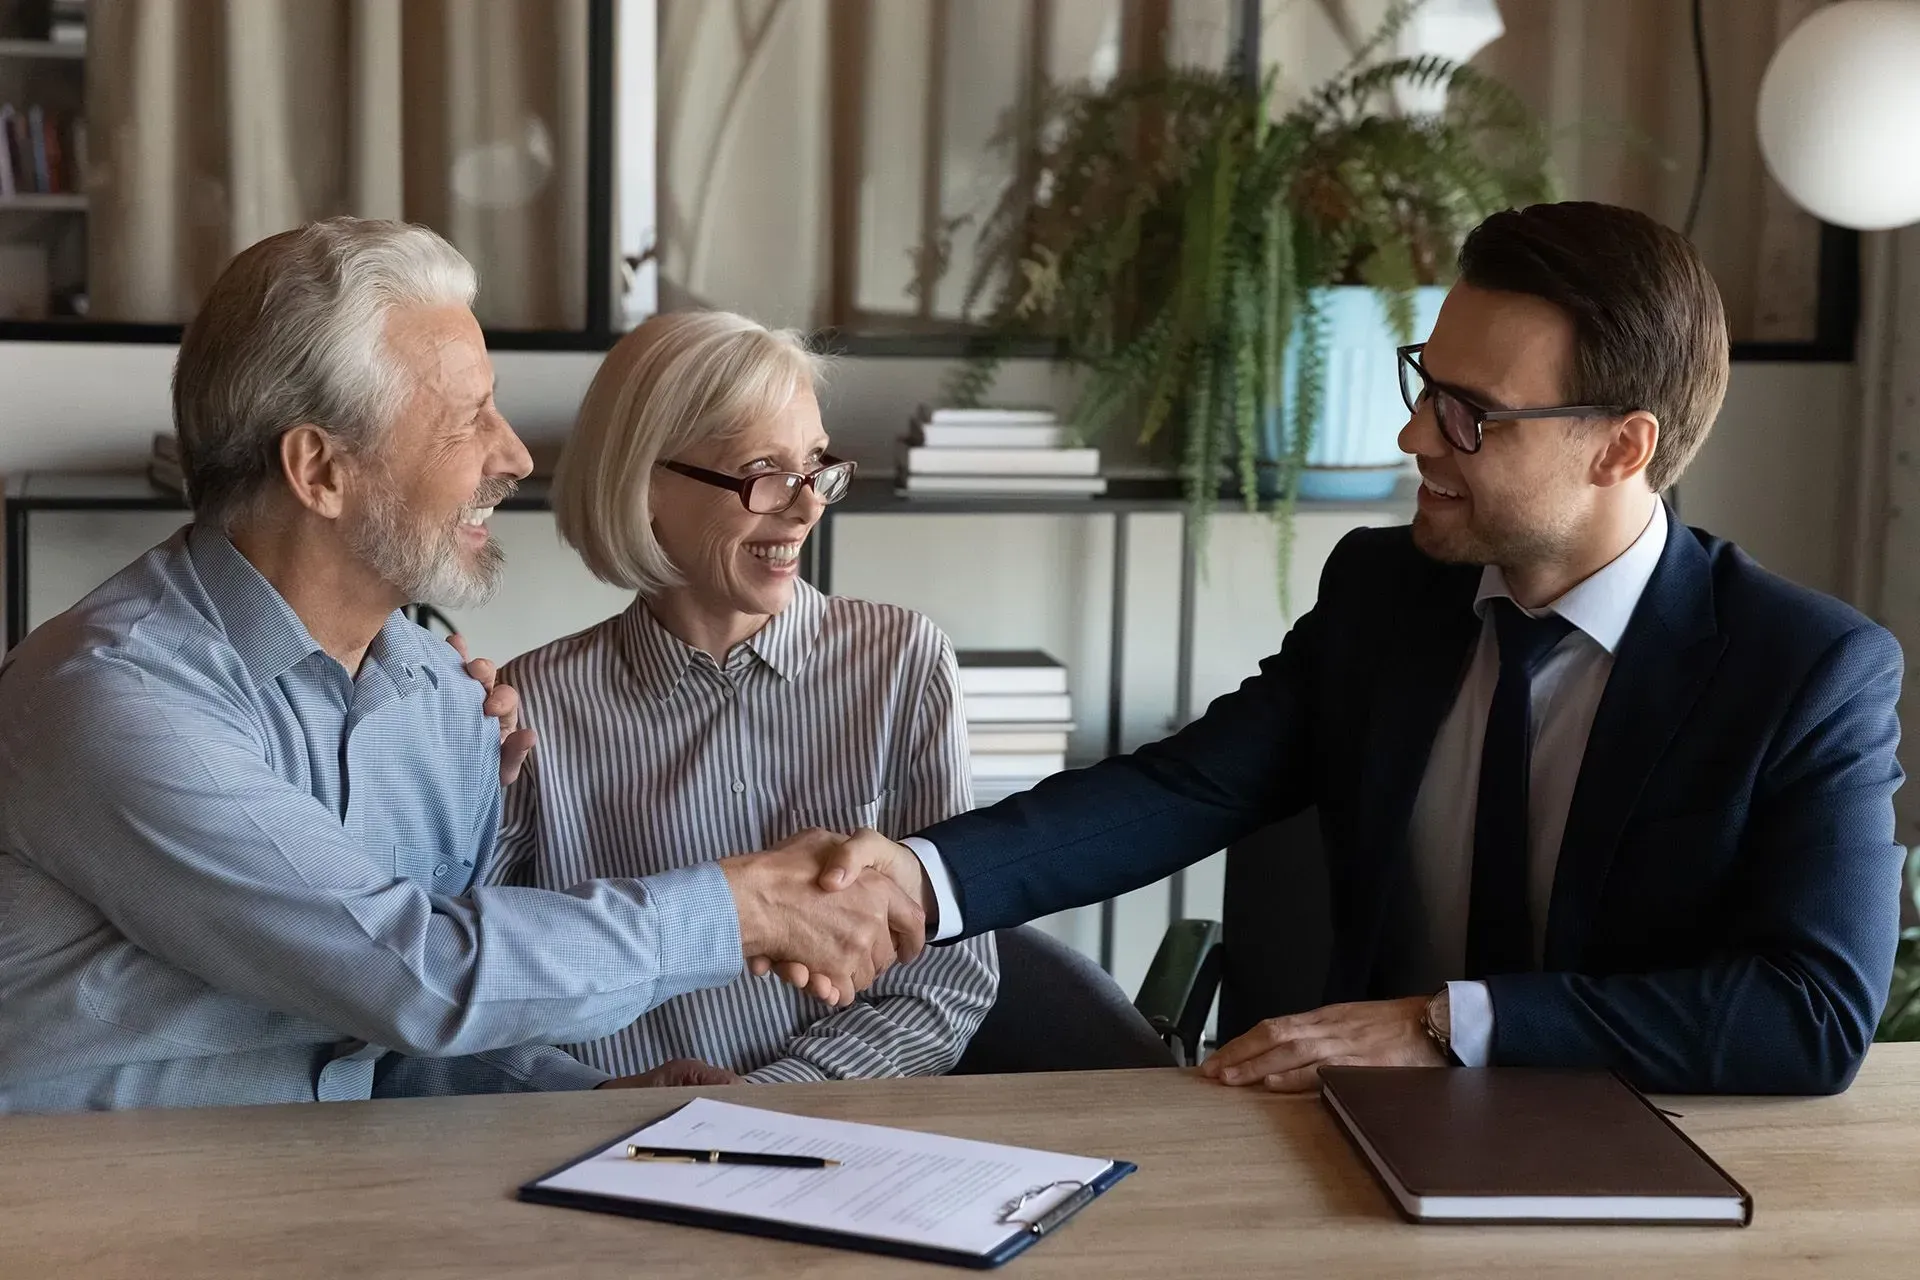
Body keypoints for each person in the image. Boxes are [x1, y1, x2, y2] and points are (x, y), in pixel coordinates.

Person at [816, 200, 1905, 1096]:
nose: (1415, 436)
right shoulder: (1387, 592)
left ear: (1621, 447)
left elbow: (1806, 1012)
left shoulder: (1804, 670)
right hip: (1351, 1141)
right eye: (1425, 383)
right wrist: (923, 873)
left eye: (1471, 415)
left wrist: (1445, 1024)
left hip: (1647, 1164)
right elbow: (1183, 787)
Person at [0, 218, 921, 1114]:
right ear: (319, 470)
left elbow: (383, 1049)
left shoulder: (445, 700)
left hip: (336, 1203)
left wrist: (582, 1100)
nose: (514, 455)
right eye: (466, 419)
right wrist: (742, 910)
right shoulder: (113, 699)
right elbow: (416, 975)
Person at [486, 311, 997, 1085]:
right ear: (646, 482)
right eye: (766, 471)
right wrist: (596, 1095)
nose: (806, 507)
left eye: (817, 466)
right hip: (598, 1145)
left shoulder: (901, 663)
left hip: (844, 1147)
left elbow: (951, 979)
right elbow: (477, 985)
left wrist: (771, 1098)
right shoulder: (533, 706)